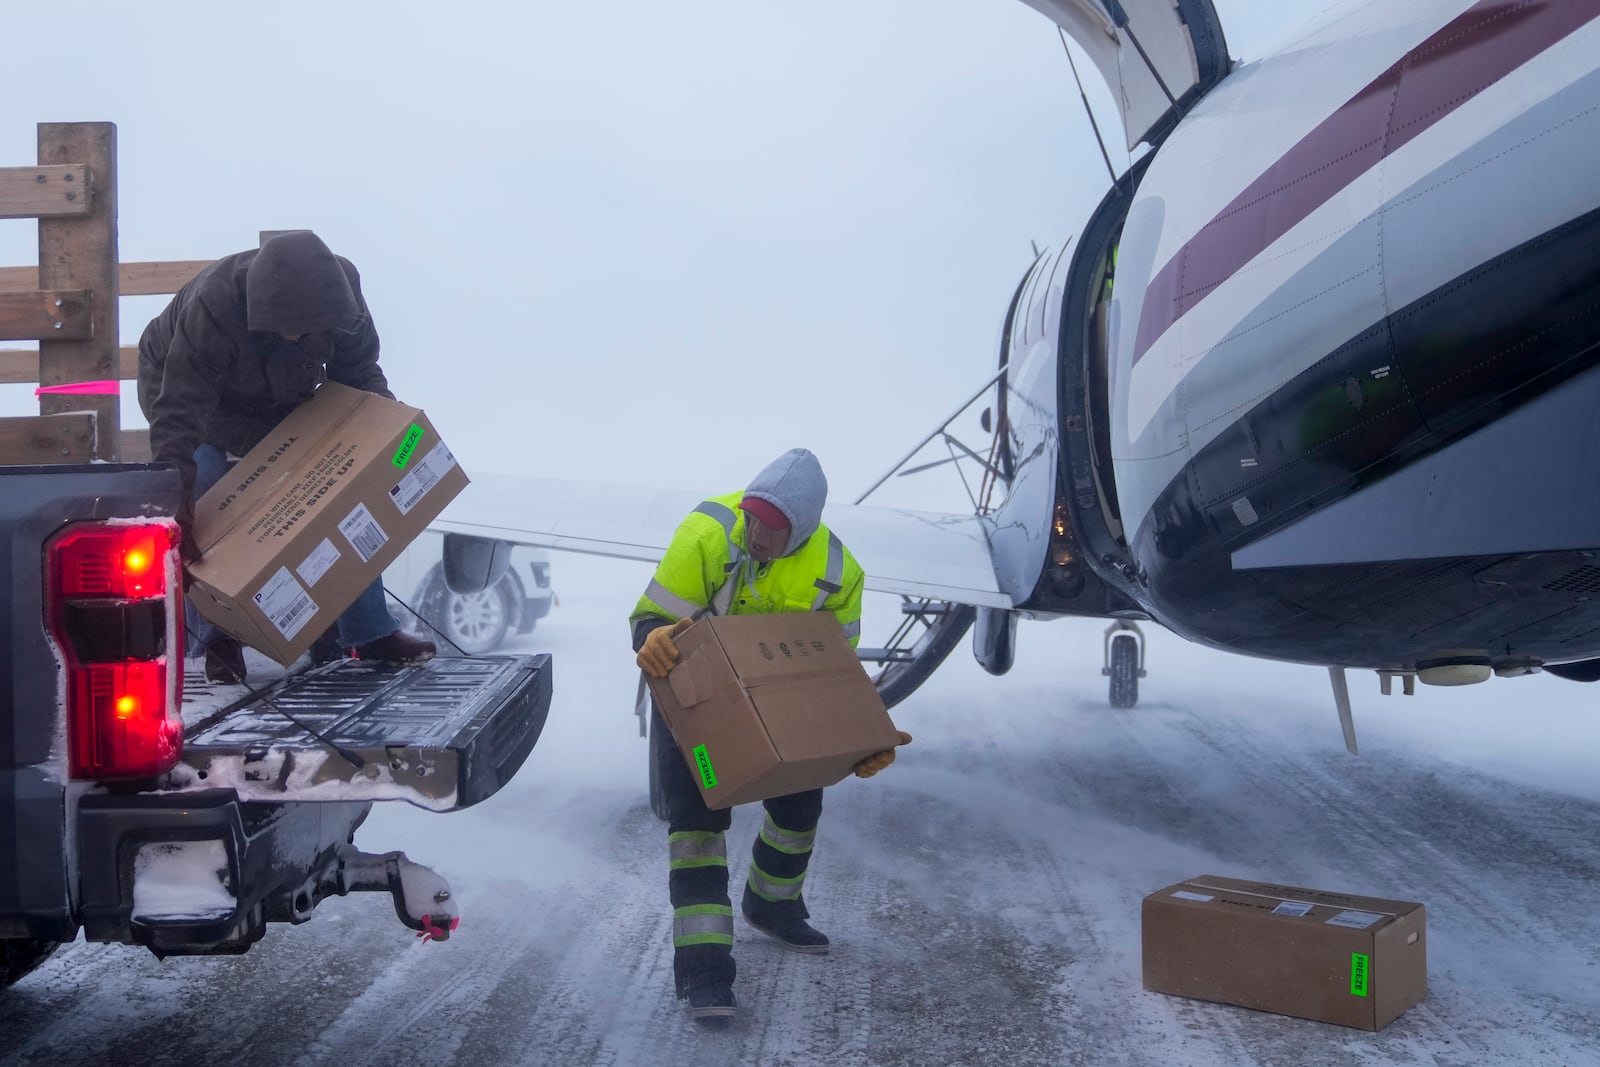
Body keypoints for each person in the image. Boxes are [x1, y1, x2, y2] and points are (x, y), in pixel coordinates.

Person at [631, 447, 911, 1023]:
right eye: (753, 519)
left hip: (781, 701)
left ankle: (773, 905)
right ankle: (705, 974)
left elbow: (832, 673)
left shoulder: (837, 570)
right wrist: (653, 639)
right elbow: (650, 617)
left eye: (773, 529)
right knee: (698, 827)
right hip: (696, 701)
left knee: (799, 808)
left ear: (802, 532)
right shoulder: (709, 531)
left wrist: (859, 738)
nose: (756, 534)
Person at [136, 230, 435, 684]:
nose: (295, 335)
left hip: (279, 392)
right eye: (284, 328)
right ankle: (220, 635)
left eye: (304, 330)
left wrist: (386, 440)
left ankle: (370, 631)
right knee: (212, 490)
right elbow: (180, 409)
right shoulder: (215, 304)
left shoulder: (343, 294)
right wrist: (176, 496)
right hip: (191, 394)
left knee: (344, 488)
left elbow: (358, 373)